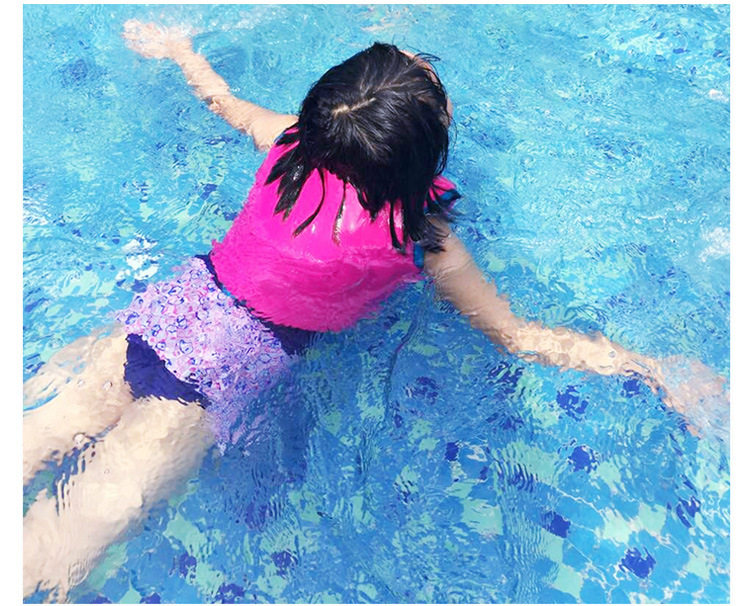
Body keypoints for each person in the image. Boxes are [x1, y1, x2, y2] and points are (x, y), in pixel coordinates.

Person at [22, 20, 727, 600]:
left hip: (161, 319)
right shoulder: (422, 236)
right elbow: (515, 335)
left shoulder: (291, 143)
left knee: (32, 436)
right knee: (63, 544)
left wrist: (179, 51)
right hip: (209, 390)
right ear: (423, 155)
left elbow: (224, 103)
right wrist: (650, 367)